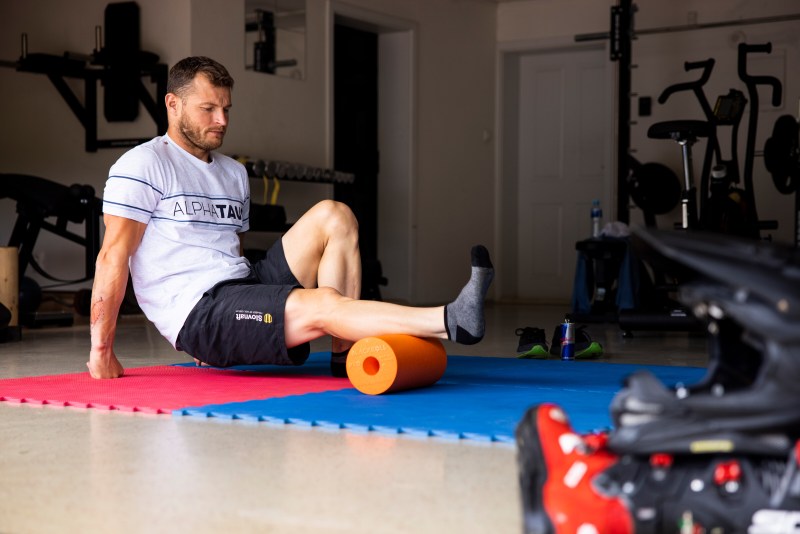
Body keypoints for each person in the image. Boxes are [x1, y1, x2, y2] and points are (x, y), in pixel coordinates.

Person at [88, 56, 493, 380]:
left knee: (335, 214)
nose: (222, 121)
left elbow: (232, 247)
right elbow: (112, 257)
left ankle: (344, 351)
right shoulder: (143, 164)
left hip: (239, 286)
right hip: (199, 311)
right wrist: (101, 352)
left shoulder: (232, 172)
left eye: (226, 109)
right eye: (208, 109)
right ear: (172, 104)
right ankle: (449, 320)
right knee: (322, 303)